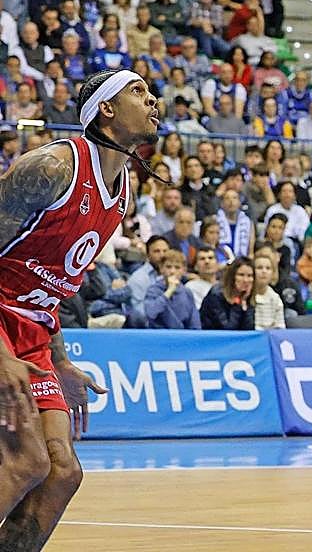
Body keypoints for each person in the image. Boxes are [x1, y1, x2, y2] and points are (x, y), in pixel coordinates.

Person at [0, 69, 156, 546]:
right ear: (106, 109)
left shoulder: (122, 193)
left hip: (34, 330)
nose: (153, 100)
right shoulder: (51, 168)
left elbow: (52, 286)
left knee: (62, 472)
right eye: (138, 92)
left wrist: (61, 360)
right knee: (26, 461)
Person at [199, 258, 256, 330]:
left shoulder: (246, 295)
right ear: (232, 276)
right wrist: (238, 304)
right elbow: (228, 329)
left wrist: (245, 303)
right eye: (241, 275)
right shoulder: (216, 294)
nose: (245, 280)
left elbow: (249, 330)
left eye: (250, 276)